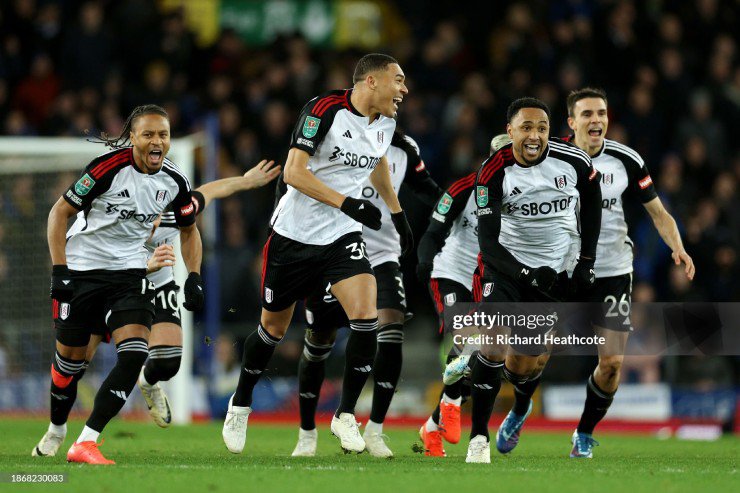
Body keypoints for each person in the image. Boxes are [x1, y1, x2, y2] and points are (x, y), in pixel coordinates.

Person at [222, 53, 413, 455]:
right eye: (398, 80)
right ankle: (240, 402)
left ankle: (344, 415)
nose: (404, 89)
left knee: (366, 316)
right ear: (372, 82)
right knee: (272, 330)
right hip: (293, 234)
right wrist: (347, 203)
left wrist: (396, 212)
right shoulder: (323, 110)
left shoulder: (388, 123)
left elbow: (377, 161)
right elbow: (293, 172)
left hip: (341, 236)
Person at [33, 160, 280, 450]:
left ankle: (146, 381)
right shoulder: (121, 208)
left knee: (168, 361)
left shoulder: (176, 206)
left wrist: (245, 180)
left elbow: (208, 192)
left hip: (155, 283)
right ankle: (56, 428)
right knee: (75, 364)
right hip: (112, 278)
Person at [35, 104, 204, 465]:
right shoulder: (106, 169)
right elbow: (58, 213)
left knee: (135, 352)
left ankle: (87, 441)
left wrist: (193, 276)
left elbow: (190, 231)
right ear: (133, 138)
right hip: (83, 270)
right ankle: (56, 429)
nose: (157, 141)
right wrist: (59, 271)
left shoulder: (174, 182)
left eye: (163, 135)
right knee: (71, 365)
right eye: (148, 134)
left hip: (129, 272)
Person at [290, 130, 442, 458]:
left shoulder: (407, 148)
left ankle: (372, 428)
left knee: (391, 330)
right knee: (320, 340)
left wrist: (457, 207)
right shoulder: (337, 136)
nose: (398, 96)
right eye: (394, 87)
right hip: (333, 250)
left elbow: (426, 187)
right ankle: (306, 432)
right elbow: (298, 181)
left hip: (383, 255)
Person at [465, 97, 602, 463]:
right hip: (508, 269)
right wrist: (526, 273)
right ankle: (478, 438)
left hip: (555, 272)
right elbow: (488, 243)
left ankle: (520, 408)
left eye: (541, 128)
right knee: (493, 343)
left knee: (524, 365)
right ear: (509, 132)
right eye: (526, 127)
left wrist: (586, 261)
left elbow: (591, 202)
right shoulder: (492, 172)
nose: (534, 135)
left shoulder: (574, 161)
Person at [564, 87, 694, 458]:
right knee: (534, 356)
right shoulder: (554, 158)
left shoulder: (626, 159)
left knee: (612, 364)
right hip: (566, 269)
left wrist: (678, 247)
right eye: (587, 114)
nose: (597, 120)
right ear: (572, 122)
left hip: (613, 270)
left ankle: (583, 433)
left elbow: (658, 213)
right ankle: (521, 410)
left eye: (602, 113)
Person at [417, 134, 511, 457]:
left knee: (480, 362)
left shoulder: (523, 198)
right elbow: (433, 232)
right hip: (452, 273)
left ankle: (431, 426)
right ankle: (452, 404)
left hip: (488, 281)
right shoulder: (463, 189)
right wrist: (424, 262)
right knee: (459, 335)